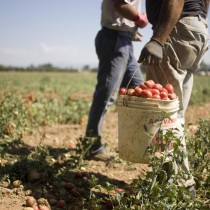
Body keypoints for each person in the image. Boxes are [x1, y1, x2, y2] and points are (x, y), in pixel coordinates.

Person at [138, 0, 209, 197]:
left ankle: (180, 185)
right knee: (175, 114)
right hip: (196, 29)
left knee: (164, 114)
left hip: (176, 29)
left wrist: (158, 39)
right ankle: (171, 178)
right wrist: (199, 22)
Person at [84, 0, 148, 160]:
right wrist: (139, 18)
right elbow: (120, 3)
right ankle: (92, 146)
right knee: (106, 94)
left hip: (123, 40)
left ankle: (140, 144)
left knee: (139, 91)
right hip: (114, 39)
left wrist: (131, 30)